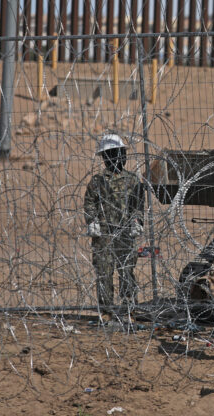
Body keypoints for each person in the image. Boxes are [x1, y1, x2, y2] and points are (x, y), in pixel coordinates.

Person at [84, 134, 145, 321]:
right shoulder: (98, 181)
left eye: (121, 153)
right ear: (106, 157)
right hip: (104, 234)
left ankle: (129, 308)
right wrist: (92, 221)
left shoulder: (133, 180)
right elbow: (89, 203)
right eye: (114, 154)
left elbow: (138, 206)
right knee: (104, 272)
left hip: (126, 233)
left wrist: (137, 222)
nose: (120, 157)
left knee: (127, 271)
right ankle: (106, 311)